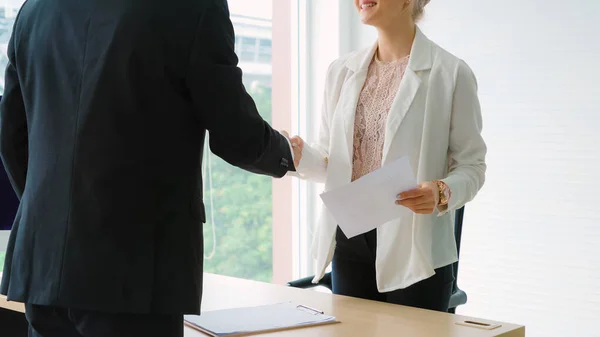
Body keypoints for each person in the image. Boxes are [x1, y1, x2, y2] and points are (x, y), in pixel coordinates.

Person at [0, 0, 300, 336]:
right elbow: (236, 135)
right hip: (135, 274)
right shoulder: (193, 8)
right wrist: (286, 153)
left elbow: (11, 136)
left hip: (44, 270)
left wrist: (50, 213)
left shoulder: (35, 10)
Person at [288, 0, 487, 312]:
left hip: (414, 243)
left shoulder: (450, 73)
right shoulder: (341, 72)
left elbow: (472, 166)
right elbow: (332, 162)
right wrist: (301, 157)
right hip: (351, 235)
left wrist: (440, 191)